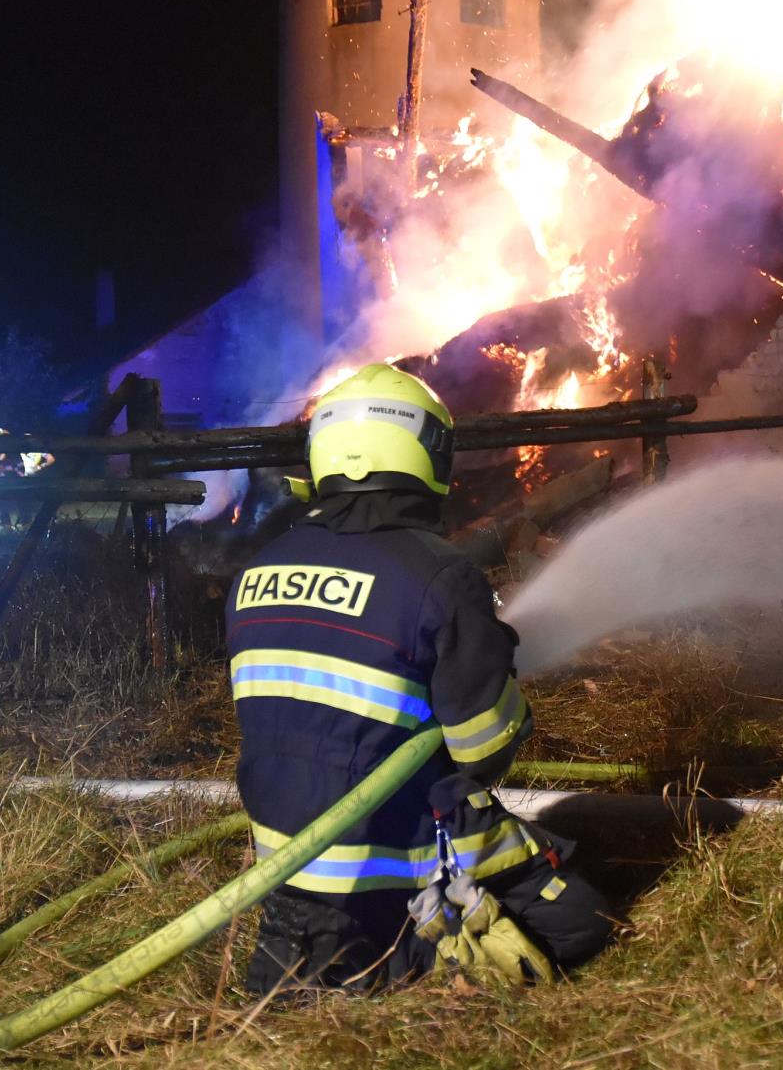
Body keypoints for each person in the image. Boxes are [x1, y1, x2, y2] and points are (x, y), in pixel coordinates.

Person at [228, 363, 612, 999]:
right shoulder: (440, 575)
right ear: (424, 451)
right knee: (583, 920)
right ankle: (420, 956)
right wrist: (498, 674)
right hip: (385, 866)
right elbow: (483, 750)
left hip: (285, 869)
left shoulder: (259, 569)